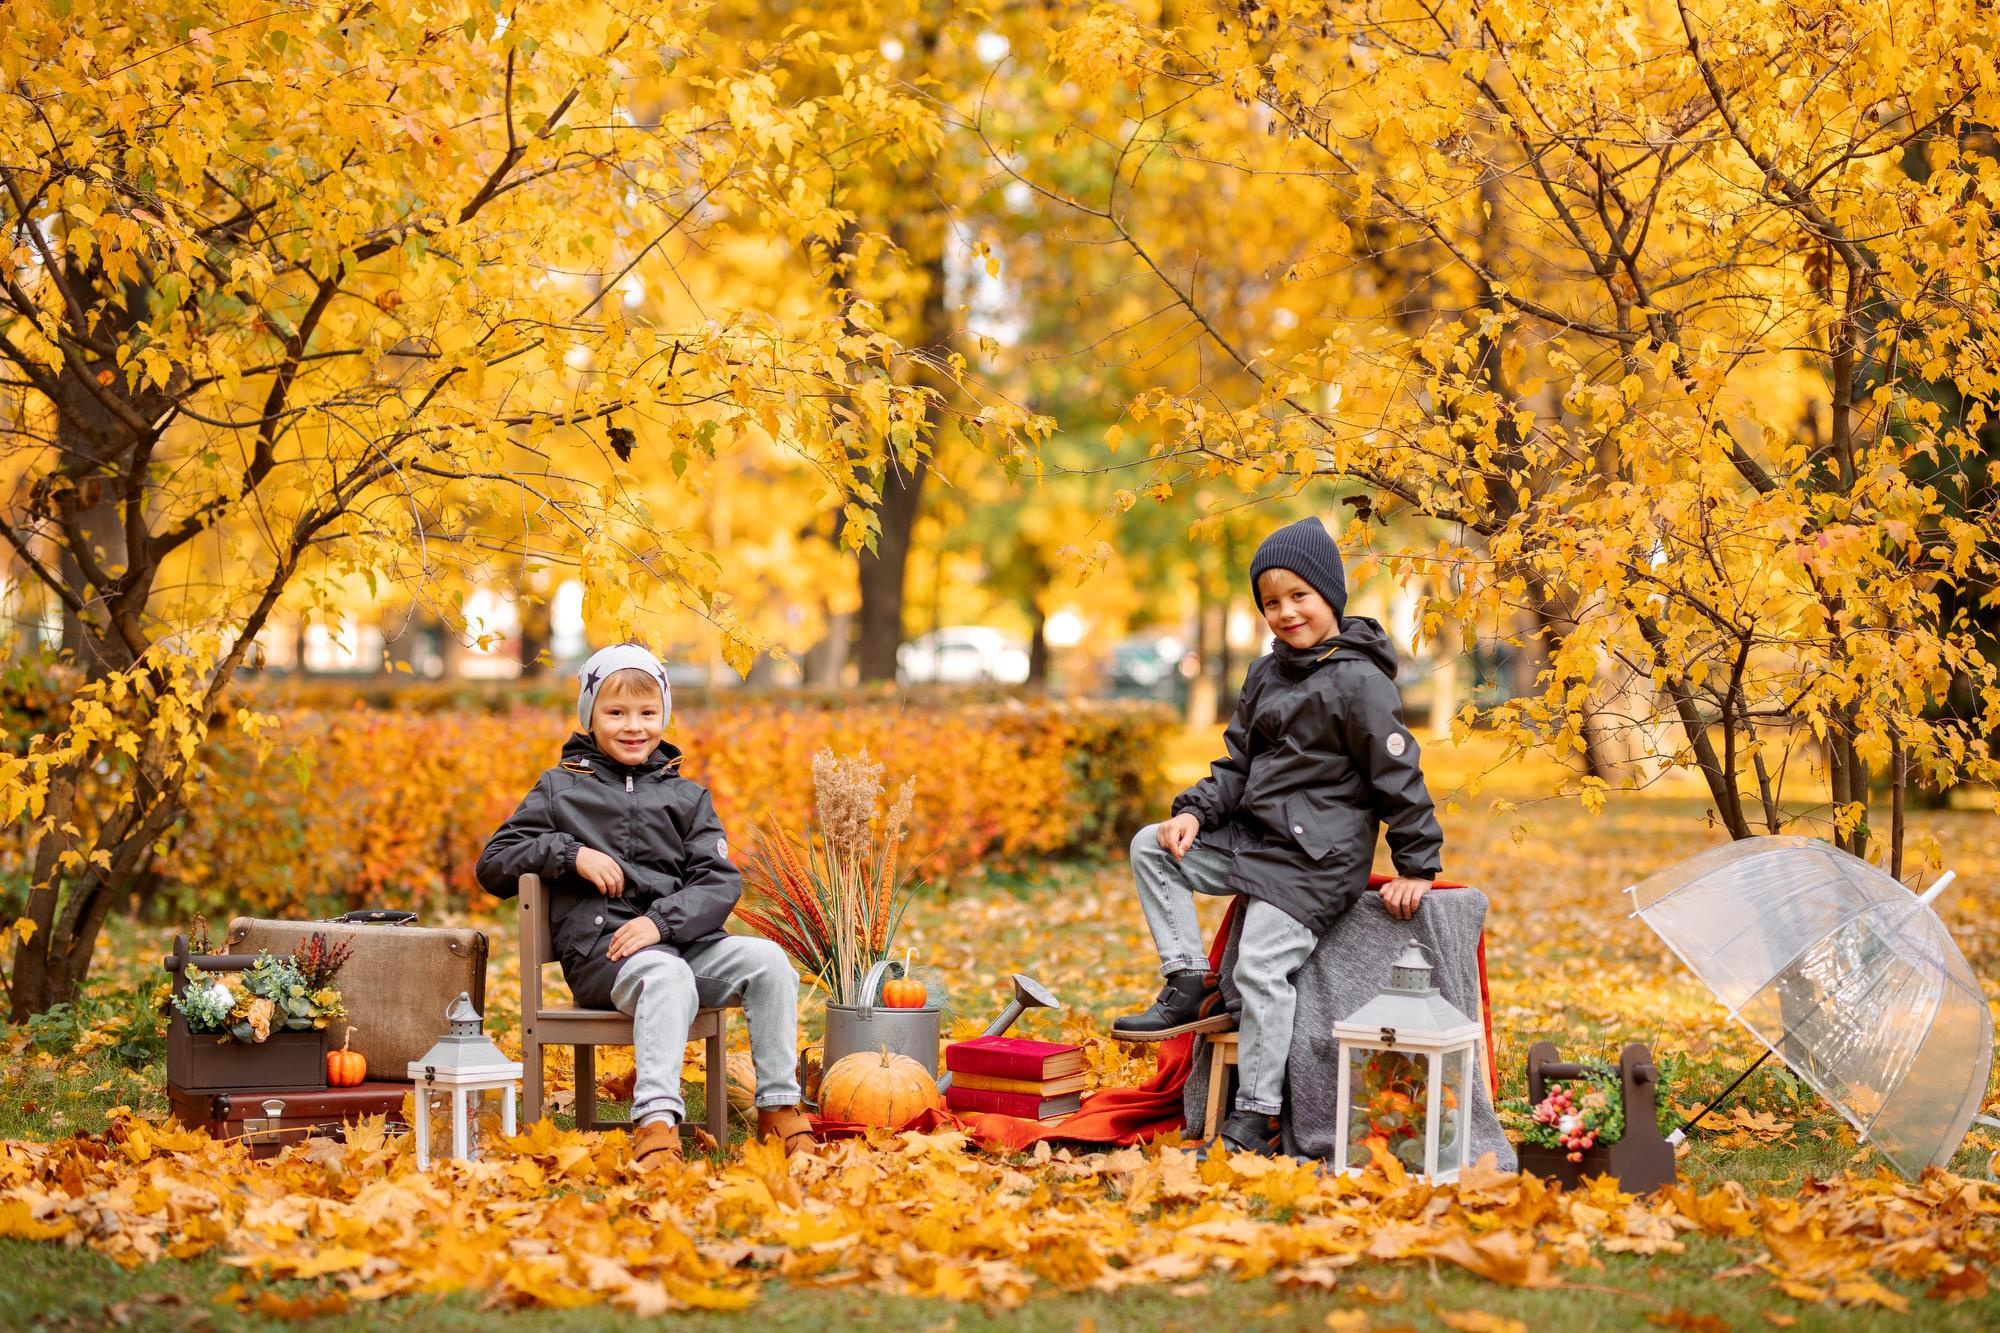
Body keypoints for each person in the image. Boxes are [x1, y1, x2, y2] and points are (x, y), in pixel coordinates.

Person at [1110, 516, 1444, 1155]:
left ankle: (1257, 1112)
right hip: (1253, 841)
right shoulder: (1266, 675)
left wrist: (1416, 864)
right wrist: (1194, 815)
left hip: (1315, 862)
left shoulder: (1359, 682)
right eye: (1271, 601)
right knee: (1151, 844)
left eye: (1300, 596)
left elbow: (1398, 775)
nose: (1286, 612)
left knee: (1263, 966)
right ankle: (1188, 981)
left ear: (1329, 596)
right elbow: (1237, 763)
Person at [476, 644, 811, 1166]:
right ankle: (656, 1123)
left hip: (682, 944)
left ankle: (779, 1108)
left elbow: (719, 883)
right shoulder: (560, 790)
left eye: (647, 713)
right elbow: (493, 863)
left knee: (769, 963)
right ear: (590, 717)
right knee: (666, 977)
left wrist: (660, 923)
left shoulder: (687, 798)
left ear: (664, 716)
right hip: (604, 957)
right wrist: (571, 853)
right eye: (615, 713)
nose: (633, 726)